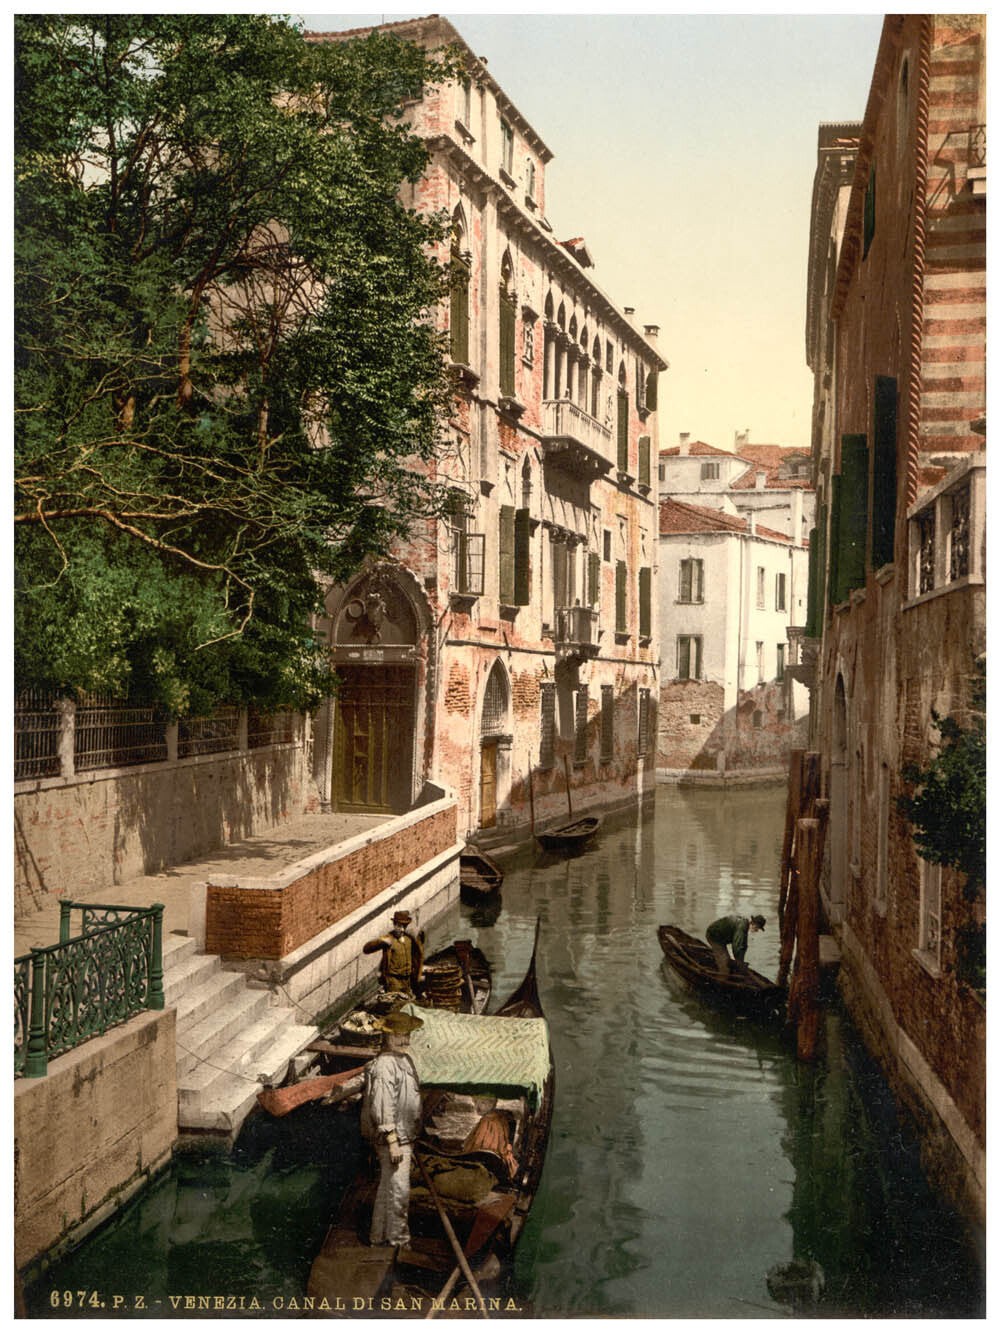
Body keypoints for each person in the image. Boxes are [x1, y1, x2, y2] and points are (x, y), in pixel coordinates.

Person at [360, 1009, 424, 1248]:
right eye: (398, 1036)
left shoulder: (403, 1060)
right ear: (387, 1037)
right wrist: (393, 1140)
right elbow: (383, 1105)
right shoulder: (385, 1065)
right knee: (399, 1192)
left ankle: (378, 1236)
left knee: (389, 1187)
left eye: (406, 1034)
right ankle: (398, 1240)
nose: (404, 1040)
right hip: (395, 1139)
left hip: (404, 1136)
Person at [362, 910, 424, 994]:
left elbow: (418, 951)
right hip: (394, 980)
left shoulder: (409, 939)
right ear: (394, 925)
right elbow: (366, 949)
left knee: (408, 1000)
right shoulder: (389, 939)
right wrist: (381, 941)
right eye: (398, 926)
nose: (401, 929)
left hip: (407, 979)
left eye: (403, 927)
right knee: (396, 1000)